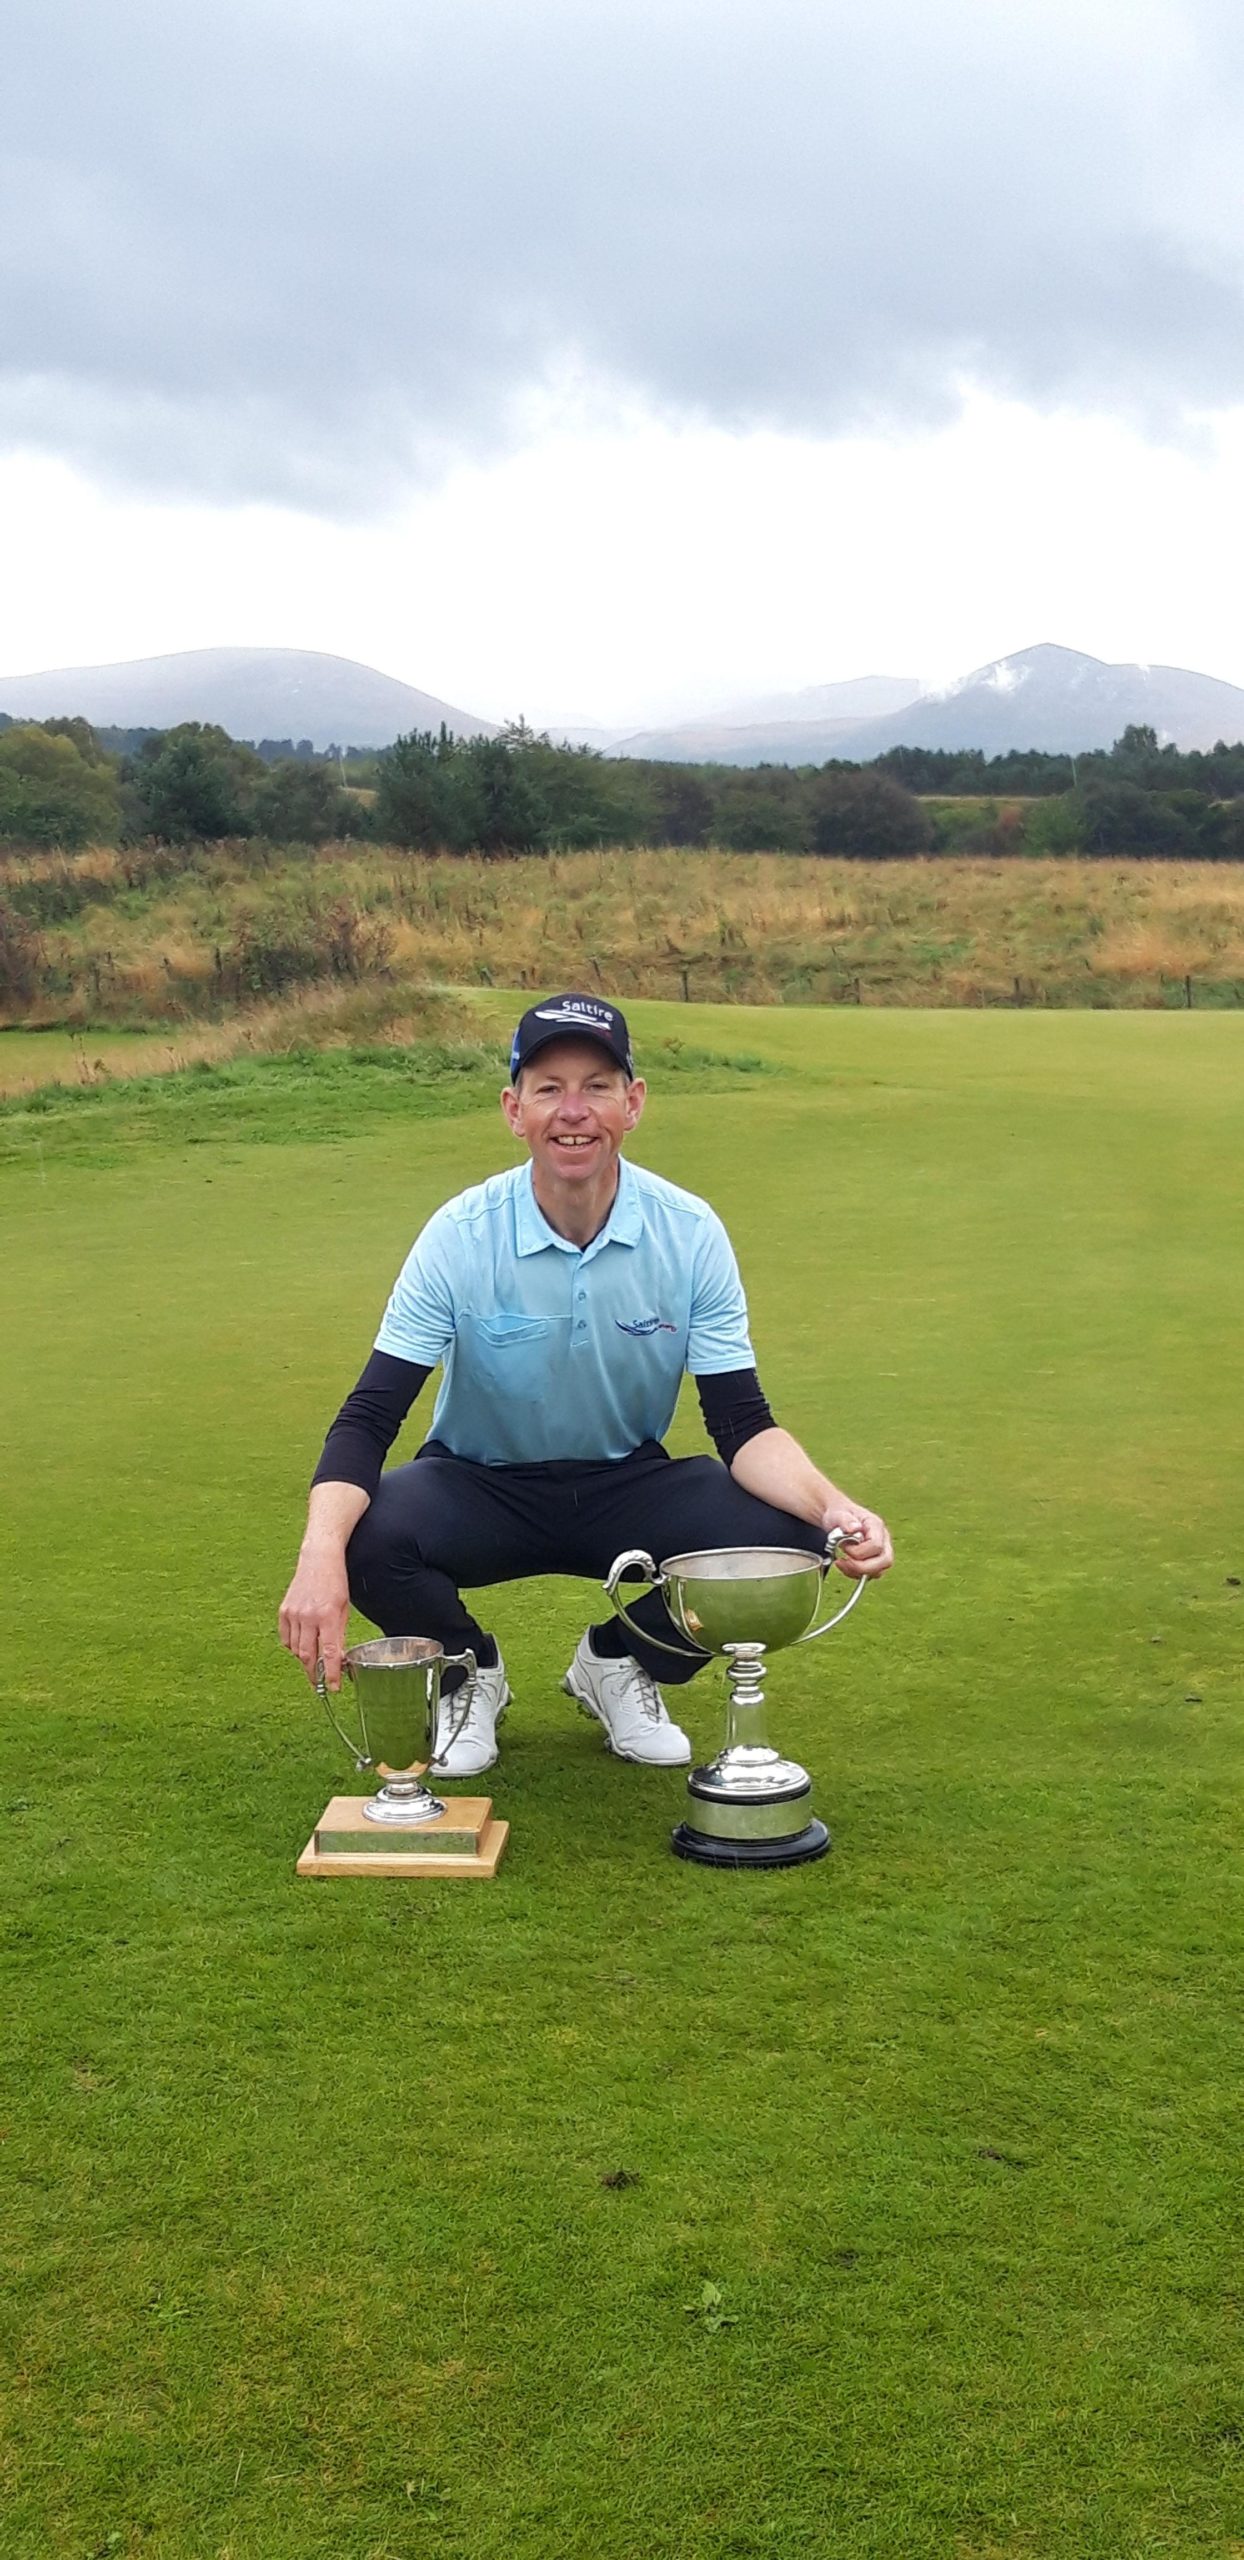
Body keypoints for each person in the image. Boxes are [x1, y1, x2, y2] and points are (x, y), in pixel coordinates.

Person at [279, 992, 893, 1774]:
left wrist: (837, 1507)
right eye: (548, 1088)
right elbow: (369, 1417)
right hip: (477, 1486)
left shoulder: (689, 1232)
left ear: (633, 1103)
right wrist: (317, 1552)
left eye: (597, 1085)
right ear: (514, 1109)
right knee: (361, 1534)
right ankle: (469, 1673)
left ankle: (620, 1662)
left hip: (626, 1486)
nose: (574, 1112)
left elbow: (741, 1424)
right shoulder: (460, 1235)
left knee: (792, 1536)